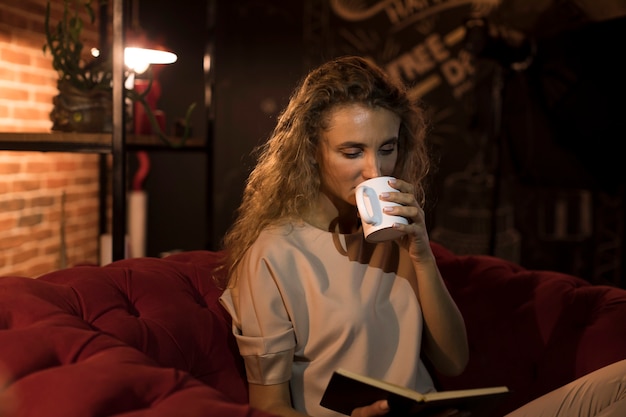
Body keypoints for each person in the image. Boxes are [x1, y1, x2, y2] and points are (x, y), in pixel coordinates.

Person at [219, 55, 626, 417]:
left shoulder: (394, 235)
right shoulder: (274, 253)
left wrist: (421, 255)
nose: (374, 171)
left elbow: (452, 361)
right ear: (311, 150)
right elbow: (267, 405)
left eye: (387, 148)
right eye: (352, 151)